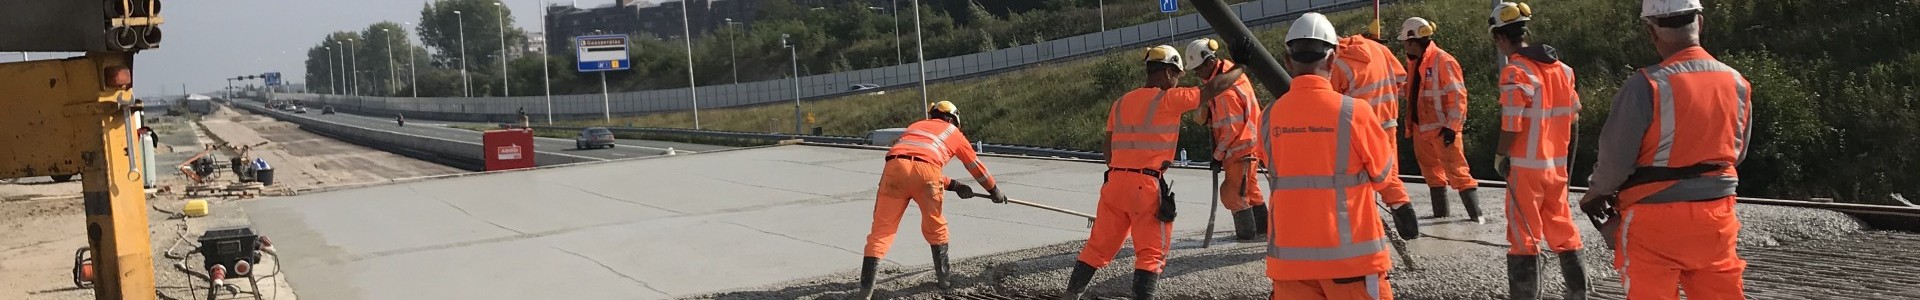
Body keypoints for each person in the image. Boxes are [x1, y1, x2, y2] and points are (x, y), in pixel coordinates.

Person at [1579, 0, 1752, 299]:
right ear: (1700, 22)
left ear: (1651, 31)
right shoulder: (1736, 82)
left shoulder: (1645, 85)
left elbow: (1614, 164)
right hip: (1717, 216)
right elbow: (1737, 154)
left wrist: (1595, 194)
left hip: (1653, 221)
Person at [1260, 12, 1419, 300]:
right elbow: (1383, 173)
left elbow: (1272, 165)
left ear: (1287, 61)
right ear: (1332, 61)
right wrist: (1400, 205)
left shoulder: (1269, 117)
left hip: (1290, 267)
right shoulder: (1354, 112)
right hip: (1352, 265)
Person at [1061, 45, 1232, 300]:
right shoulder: (1168, 99)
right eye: (1176, 75)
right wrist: (1240, 67)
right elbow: (1213, 89)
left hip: (1115, 182)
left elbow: (1107, 149)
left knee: (1097, 247)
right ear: (1166, 73)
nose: (1176, 82)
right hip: (1146, 185)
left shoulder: (1120, 104)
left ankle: (1071, 294)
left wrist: (1124, 169)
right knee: (1151, 253)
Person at [1486, 2, 1588, 299]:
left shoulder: (1515, 71)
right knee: (1562, 226)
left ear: (1500, 38)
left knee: (1523, 235)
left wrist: (1501, 155)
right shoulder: (1563, 70)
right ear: (1525, 32)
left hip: (1525, 169)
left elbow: (1512, 123)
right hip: (1556, 168)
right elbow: (1575, 114)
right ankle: (1577, 292)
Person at [857, 101, 1009, 299]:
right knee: (935, 225)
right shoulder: (953, 133)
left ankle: (865, 291)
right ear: (952, 118)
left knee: (881, 232)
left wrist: (955, 185)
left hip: (893, 170)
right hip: (927, 174)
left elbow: (912, 165)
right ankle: (944, 279)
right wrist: (993, 190)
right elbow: (973, 166)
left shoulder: (915, 127)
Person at [1182, 37, 1268, 242]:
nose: (1197, 74)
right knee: (1250, 190)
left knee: (1233, 194)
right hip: (1249, 144)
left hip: (1239, 147)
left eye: (1198, 69)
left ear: (1210, 63)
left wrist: (1217, 155)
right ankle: (1264, 230)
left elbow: (1230, 129)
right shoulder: (1228, 74)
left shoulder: (1224, 91)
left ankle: (1246, 235)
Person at [1399, 17, 1483, 222]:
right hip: (1421, 128)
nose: (1404, 47)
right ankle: (1441, 217)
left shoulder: (1442, 60)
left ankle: (1477, 217)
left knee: (1459, 172)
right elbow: (1410, 91)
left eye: (1405, 43)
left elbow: (1458, 96)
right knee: (1432, 175)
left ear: (1412, 42)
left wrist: (1452, 128)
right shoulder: (1415, 63)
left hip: (1442, 130)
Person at [1332, 23, 1415, 222]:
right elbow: (1401, 77)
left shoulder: (1337, 65)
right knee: (1388, 170)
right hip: (1388, 122)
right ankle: (1403, 211)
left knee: (1359, 176)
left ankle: (1374, 219)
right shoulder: (1378, 48)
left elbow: (1328, 103)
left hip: (1359, 130)